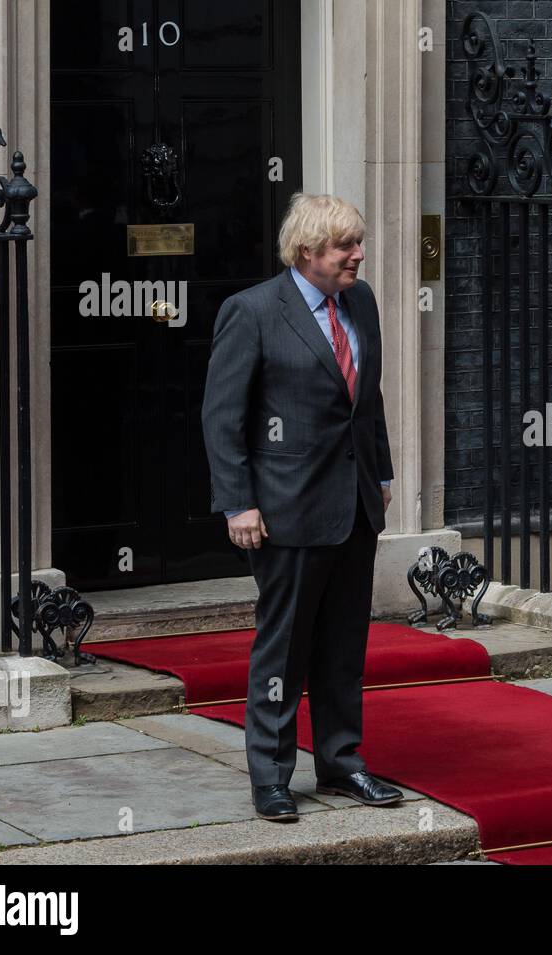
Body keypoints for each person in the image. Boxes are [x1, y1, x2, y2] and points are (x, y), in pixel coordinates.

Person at [201, 192, 402, 820]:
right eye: (346, 246)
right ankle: (271, 774)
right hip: (286, 510)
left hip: (357, 505)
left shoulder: (360, 302)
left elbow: (365, 399)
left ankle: (342, 762)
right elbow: (222, 417)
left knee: (344, 644)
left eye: (358, 243)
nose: (358, 256)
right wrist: (238, 503)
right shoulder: (254, 311)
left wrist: (385, 471)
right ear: (308, 250)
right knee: (284, 647)